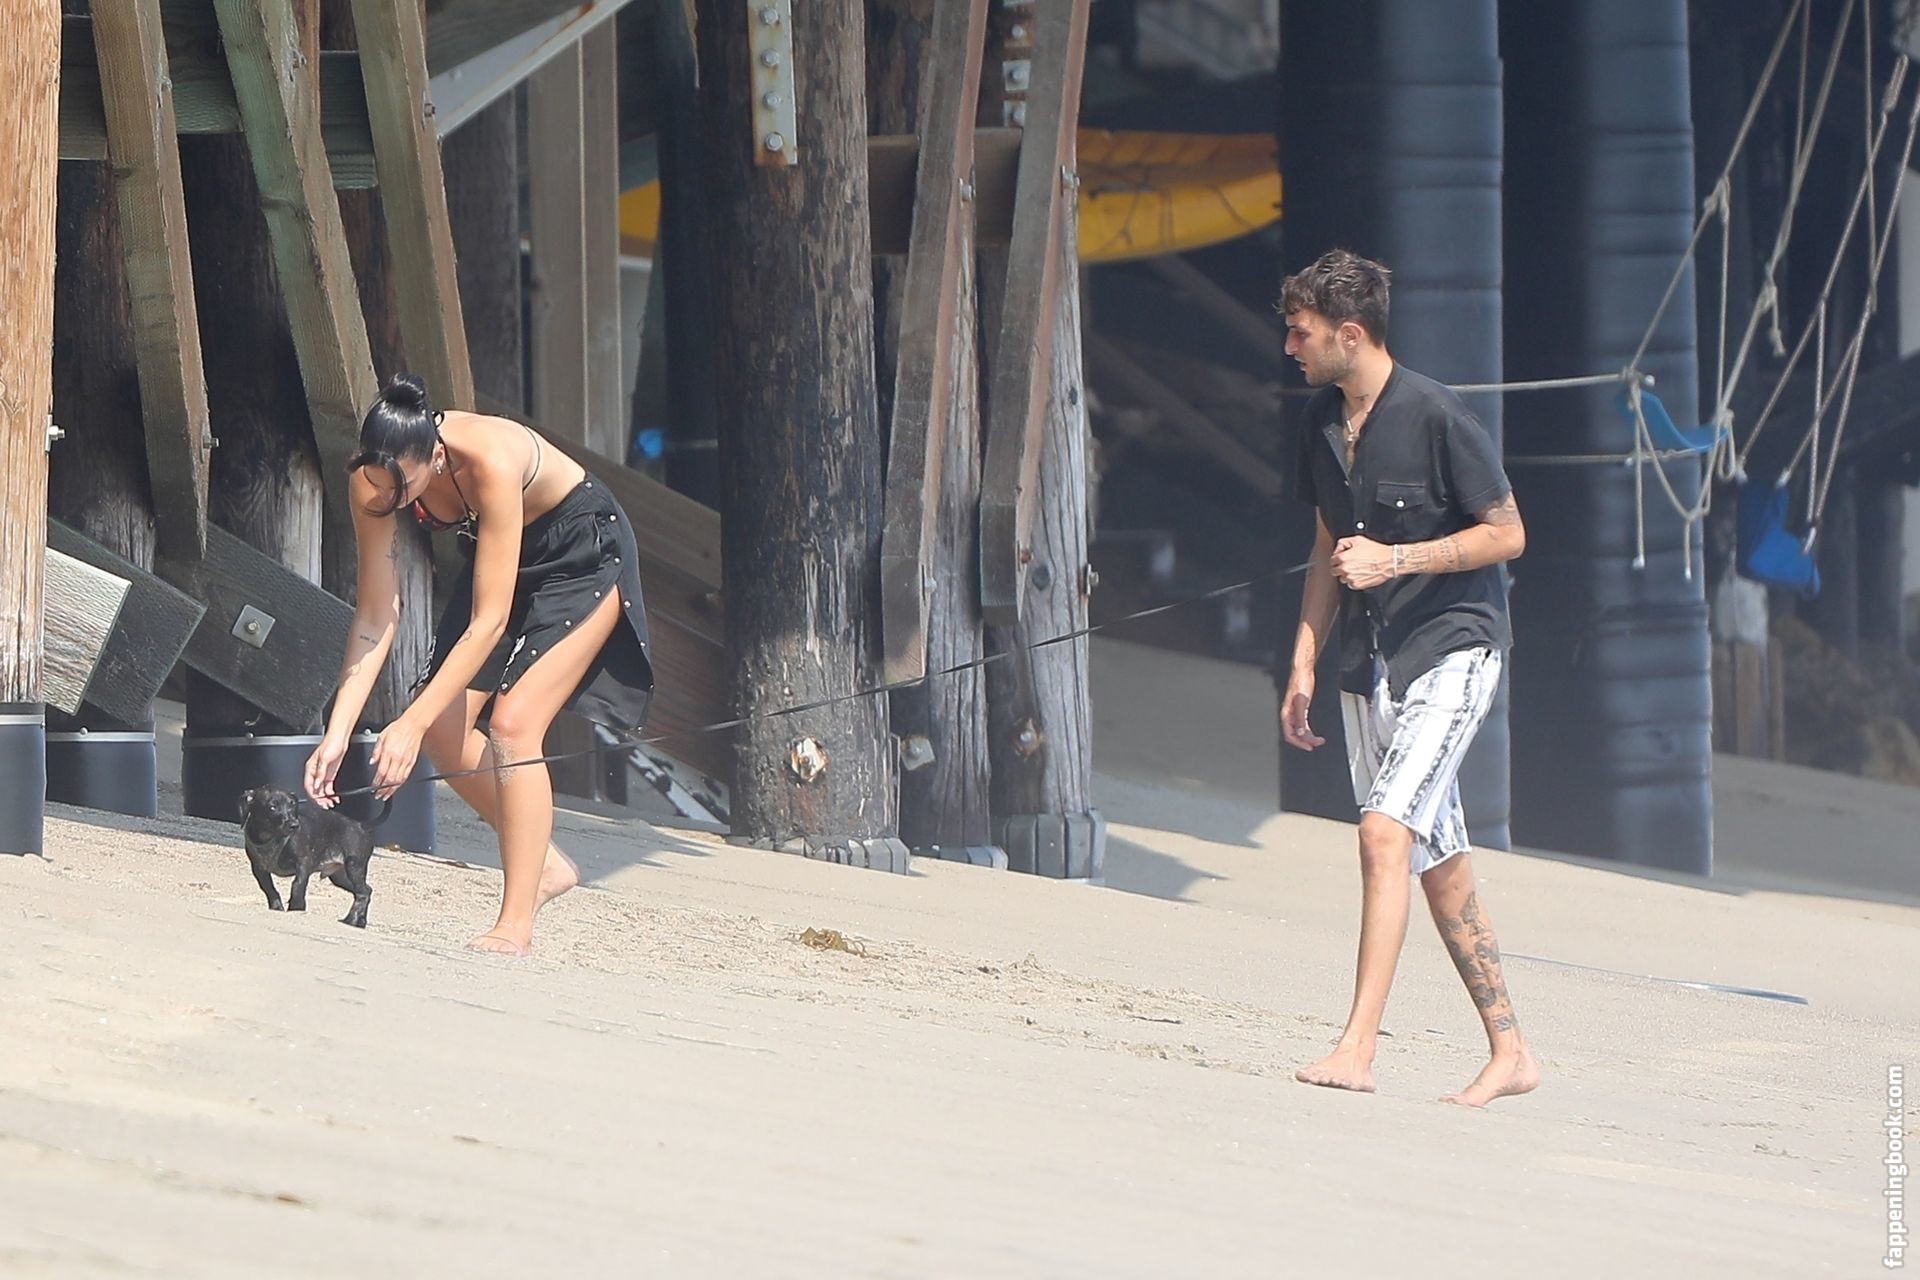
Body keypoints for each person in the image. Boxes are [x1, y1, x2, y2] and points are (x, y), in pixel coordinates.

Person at [1278, 249, 1538, 1106]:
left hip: (1455, 649)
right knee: (1437, 857)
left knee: (1384, 833)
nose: (1290, 347)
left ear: (1350, 335)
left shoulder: (1436, 415)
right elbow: (1326, 547)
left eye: (1302, 332)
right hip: (1369, 662)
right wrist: (1303, 664)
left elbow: (1508, 533)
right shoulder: (1320, 422)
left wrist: (1398, 560)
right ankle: (1512, 1052)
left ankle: (1357, 1048)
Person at [305, 374, 654, 956]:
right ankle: (544, 862)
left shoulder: (488, 457)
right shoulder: (371, 482)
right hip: (504, 557)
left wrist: (408, 723)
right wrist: (337, 732)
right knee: (445, 730)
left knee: (514, 725)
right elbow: (374, 615)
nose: (391, 501)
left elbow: (489, 622)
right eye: (379, 485)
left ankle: (515, 922)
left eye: (405, 488)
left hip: (580, 552)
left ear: (437, 458)